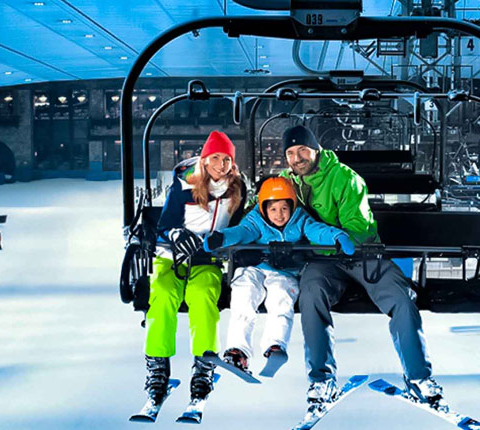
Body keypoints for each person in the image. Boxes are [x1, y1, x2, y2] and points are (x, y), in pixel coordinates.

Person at [279, 125, 448, 412]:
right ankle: (321, 378)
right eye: (291, 153)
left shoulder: (345, 178)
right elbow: (262, 213)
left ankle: (419, 377)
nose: (297, 158)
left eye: (303, 151)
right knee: (310, 295)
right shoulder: (284, 183)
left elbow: (357, 229)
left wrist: (316, 232)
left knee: (400, 297)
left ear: (315, 150)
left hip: (362, 254)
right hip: (322, 261)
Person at [202, 176, 354, 373]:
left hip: (284, 272)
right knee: (244, 296)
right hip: (254, 267)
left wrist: (336, 236)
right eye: (273, 209)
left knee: (281, 298)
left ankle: (275, 345)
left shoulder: (300, 219)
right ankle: (238, 351)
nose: (279, 215)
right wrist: (222, 238)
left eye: (284, 208)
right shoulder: (255, 220)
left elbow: (316, 230)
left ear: (292, 206)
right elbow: (242, 232)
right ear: (264, 208)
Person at [140, 130, 247, 410]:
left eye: (226, 160)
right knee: (162, 295)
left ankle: (203, 365)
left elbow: (241, 225)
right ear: (204, 159)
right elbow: (164, 225)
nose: (221, 166)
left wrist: (224, 240)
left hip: (207, 259)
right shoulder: (185, 184)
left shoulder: (237, 187)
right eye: (215, 158)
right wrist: (176, 235)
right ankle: (157, 367)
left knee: (203, 297)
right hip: (172, 257)